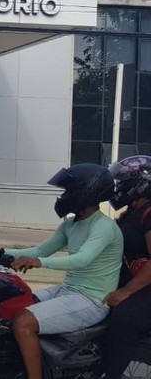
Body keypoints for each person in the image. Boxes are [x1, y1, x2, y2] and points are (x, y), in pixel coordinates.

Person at [6, 164, 123, 379]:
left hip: (92, 300)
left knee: (23, 321)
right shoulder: (71, 224)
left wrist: (39, 263)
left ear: (86, 191)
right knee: (11, 302)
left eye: (68, 191)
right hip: (67, 290)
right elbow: (41, 250)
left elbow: (82, 259)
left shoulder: (103, 226)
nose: (63, 196)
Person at [102, 156, 151, 378]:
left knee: (124, 319)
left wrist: (125, 292)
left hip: (145, 287)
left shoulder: (149, 213)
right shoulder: (128, 215)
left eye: (121, 183)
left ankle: (111, 373)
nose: (118, 188)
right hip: (133, 281)